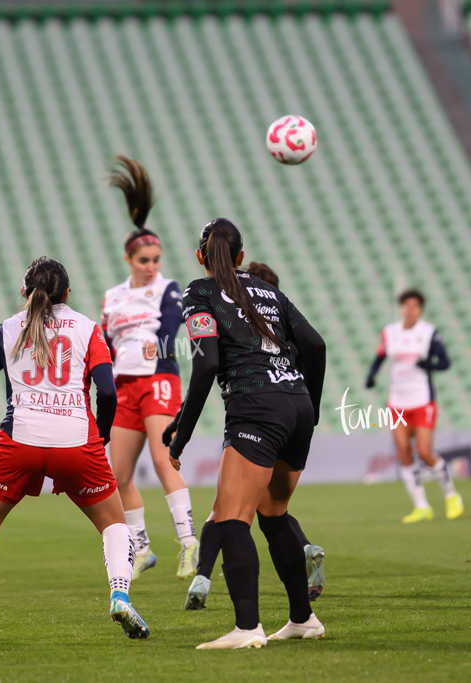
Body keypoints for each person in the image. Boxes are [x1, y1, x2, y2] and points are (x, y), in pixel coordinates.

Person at [0, 257, 149, 644]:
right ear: (68, 293)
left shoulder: (6, 329)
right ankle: (120, 595)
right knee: (114, 524)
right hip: (77, 441)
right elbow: (107, 391)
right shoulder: (88, 329)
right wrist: (99, 438)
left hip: (18, 442)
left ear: (24, 292)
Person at [165, 218, 328, 649]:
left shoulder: (199, 293)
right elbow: (315, 345)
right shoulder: (267, 289)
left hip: (256, 409)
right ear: (240, 256)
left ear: (201, 257)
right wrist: (307, 407)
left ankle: (247, 628)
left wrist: (180, 436)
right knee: (273, 515)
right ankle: (302, 618)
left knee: (232, 518)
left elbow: (205, 364)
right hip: (297, 405)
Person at [100, 156, 197, 581]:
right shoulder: (112, 297)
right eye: (144, 260)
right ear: (129, 259)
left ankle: (190, 545)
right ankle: (140, 550)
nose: (152, 266)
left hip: (158, 379)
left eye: (156, 258)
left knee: (163, 460)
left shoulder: (168, 289)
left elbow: (173, 326)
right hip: (124, 387)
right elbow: (105, 341)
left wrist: (156, 355)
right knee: (117, 474)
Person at [365, 289, 463, 523]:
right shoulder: (390, 332)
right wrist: (371, 376)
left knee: (425, 452)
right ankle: (421, 505)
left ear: (420, 309)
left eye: (415, 306)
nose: (410, 310)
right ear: (401, 308)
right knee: (404, 452)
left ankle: (451, 494)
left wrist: (428, 363)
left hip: (422, 400)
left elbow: (445, 362)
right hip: (397, 401)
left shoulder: (428, 333)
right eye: (406, 306)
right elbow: (379, 357)